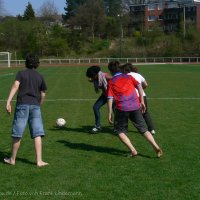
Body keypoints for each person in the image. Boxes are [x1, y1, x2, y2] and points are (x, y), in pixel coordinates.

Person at [107, 61, 163, 157]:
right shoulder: (129, 77)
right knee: (144, 129)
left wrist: (110, 112)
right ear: (120, 68)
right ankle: (155, 146)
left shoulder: (111, 82)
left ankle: (133, 150)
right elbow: (139, 86)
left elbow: (110, 98)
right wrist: (141, 101)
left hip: (122, 109)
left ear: (111, 71)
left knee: (119, 131)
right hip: (135, 106)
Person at [4, 53, 48, 167]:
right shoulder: (40, 76)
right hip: (35, 106)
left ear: (26, 63)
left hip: (22, 105)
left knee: (17, 133)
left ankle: (12, 159)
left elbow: (15, 86)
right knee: (37, 133)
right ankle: (39, 161)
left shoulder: (21, 74)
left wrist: (8, 101)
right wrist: (39, 104)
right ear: (37, 64)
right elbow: (43, 94)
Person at [121, 63, 156, 135]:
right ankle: (151, 129)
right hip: (142, 95)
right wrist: (140, 89)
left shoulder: (126, 76)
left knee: (129, 113)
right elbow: (146, 84)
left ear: (125, 70)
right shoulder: (138, 75)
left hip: (132, 97)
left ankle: (123, 130)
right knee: (145, 112)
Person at [86, 65, 112, 133]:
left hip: (113, 96)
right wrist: (91, 80)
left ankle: (119, 128)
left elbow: (116, 79)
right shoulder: (95, 78)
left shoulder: (106, 76)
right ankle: (98, 126)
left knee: (116, 111)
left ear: (95, 74)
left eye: (91, 76)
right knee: (95, 107)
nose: (91, 78)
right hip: (105, 95)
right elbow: (92, 80)